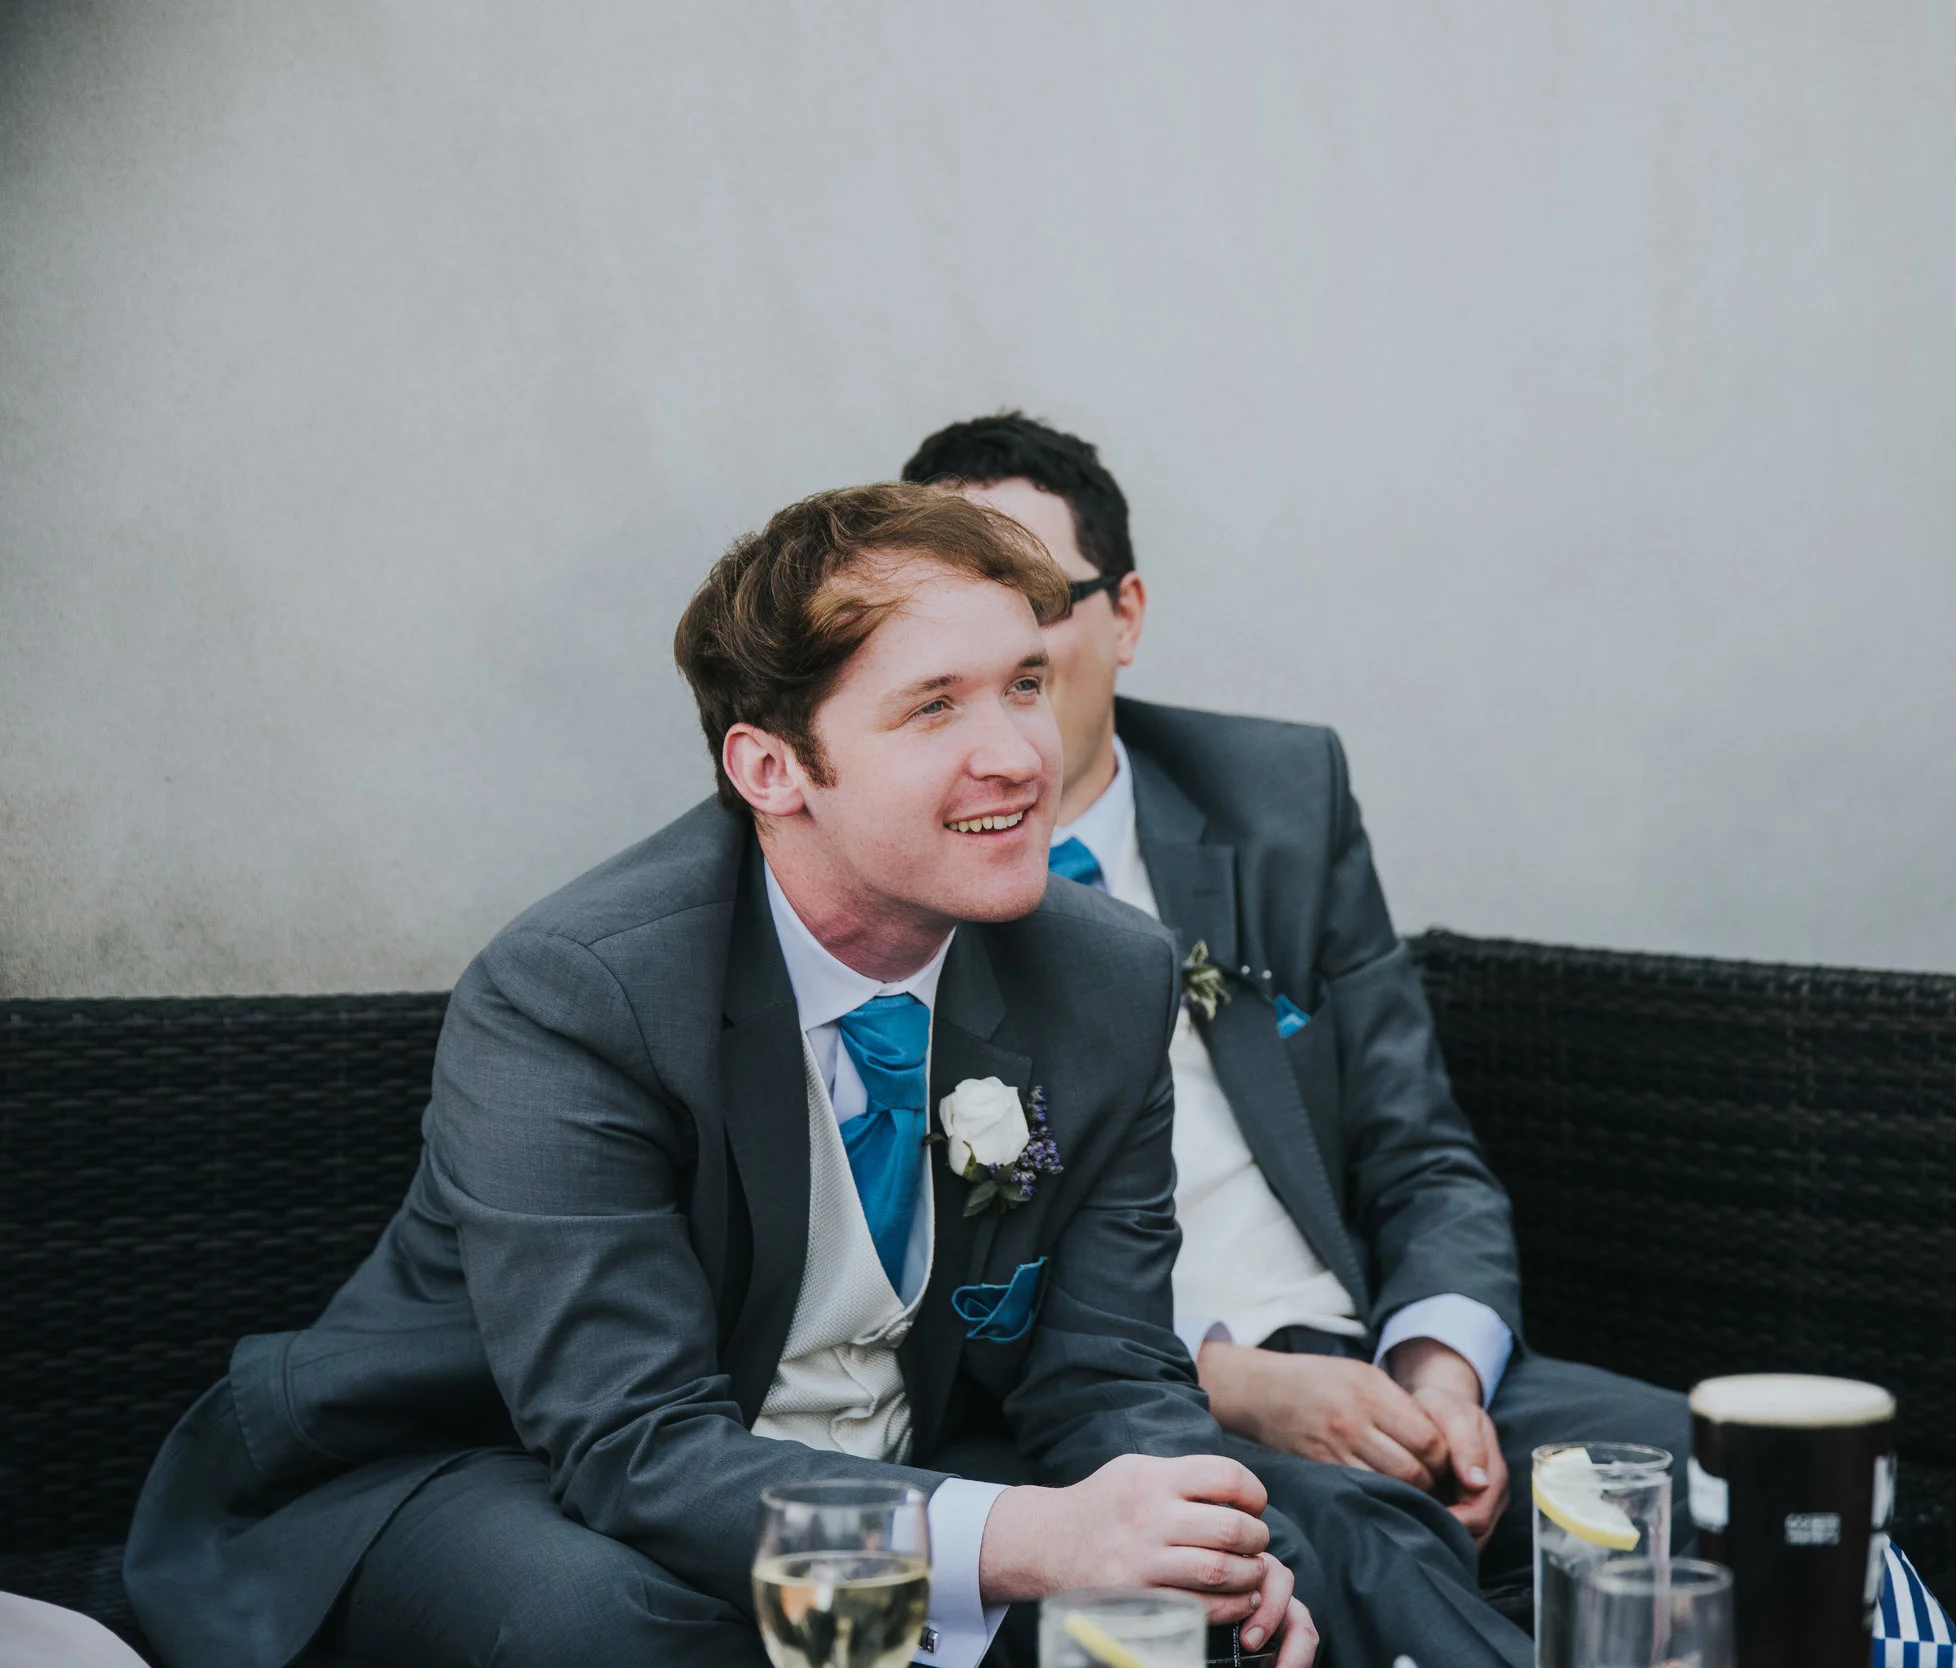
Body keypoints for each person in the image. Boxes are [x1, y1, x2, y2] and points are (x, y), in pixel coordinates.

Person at [121, 484, 1318, 1668]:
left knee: (1210, 1607)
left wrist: (1196, 1541)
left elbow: (1107, 1370)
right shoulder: (578, 991)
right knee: (616, 1630)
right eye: (932, 708)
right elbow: (631, 1444)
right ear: (771, 769)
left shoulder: (1107, 973)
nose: (1016, 755)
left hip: (893, 1468)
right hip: (503, 1472)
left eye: (1023, 685)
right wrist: (1023, 1540)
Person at [902, 414, 1692, 1667]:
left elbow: (1419, 1149)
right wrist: (1236, 1385)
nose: (1009, 665)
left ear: (1126, 614)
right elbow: (936, 1291)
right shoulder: (903, 866)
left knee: (1711, 1466)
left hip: (1374, 1352)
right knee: (1352, 1546)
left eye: (1037, 608)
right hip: (1128, 1408)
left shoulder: (1275, 800)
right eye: (959, 625)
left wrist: (1439, 1376)